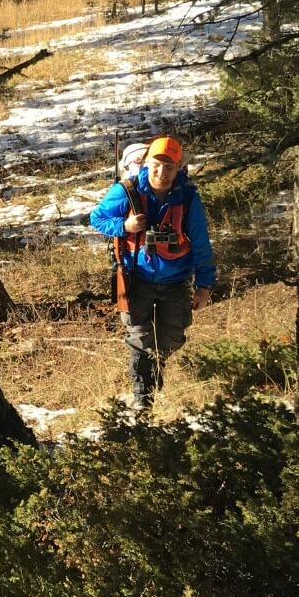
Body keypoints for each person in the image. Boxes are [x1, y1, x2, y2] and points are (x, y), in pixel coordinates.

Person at [90, 135, 216, 412]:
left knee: (171, 338)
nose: (163, 172)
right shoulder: (127, 190)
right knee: (139, 338)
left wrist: (205, 285)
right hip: (136, 279)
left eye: (169, 166)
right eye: (157, 164)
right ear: (147, 163)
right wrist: (125, 225)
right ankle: (142, 400)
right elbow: (97, 218)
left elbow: (201, 242)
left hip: (176, 280)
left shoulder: (188, 198)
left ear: (179, 166)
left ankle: (158, 366)